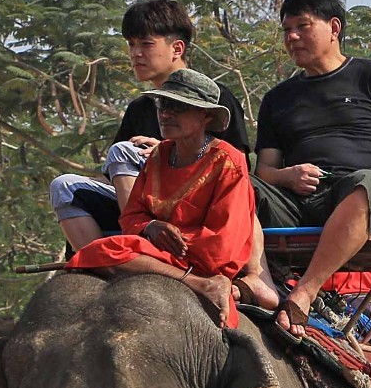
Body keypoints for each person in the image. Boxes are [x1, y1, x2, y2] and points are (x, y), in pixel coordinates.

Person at [250, 0, 371, 336]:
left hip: (355, 194)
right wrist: (288, 176)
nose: (292, 37)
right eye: (286, 30)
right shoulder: (278, 98)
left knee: (368, 181)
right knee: (231, 175)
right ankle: (256, 277)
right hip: (293, 201)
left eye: (303, 26)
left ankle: (305, 292)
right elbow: (263, 170)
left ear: (334, 28)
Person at [47, 0, 252, 252]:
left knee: (122, 151)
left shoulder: (213, 98)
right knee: (64, 186)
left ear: (177, 49)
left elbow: (238, 168)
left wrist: (170, 152)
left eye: (146, 44)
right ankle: (103, 265)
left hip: (194, 206)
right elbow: (112, 178)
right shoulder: (139, 108)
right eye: (131, 45)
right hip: (139, 206)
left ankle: (139, 245)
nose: (135, 54)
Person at [65, 70, 254, 328]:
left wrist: (176, 240)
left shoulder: (229, 162)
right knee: (99, 251)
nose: (165, 114)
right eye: (163, 105)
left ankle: (205, 282)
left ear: (205, 115)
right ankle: (195, 284)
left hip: (199, 257)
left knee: (106, 251)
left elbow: (224, 243)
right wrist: (150, 227)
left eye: (178, 107)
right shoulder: (158, 155)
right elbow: (132, 214)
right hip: (159, 252)